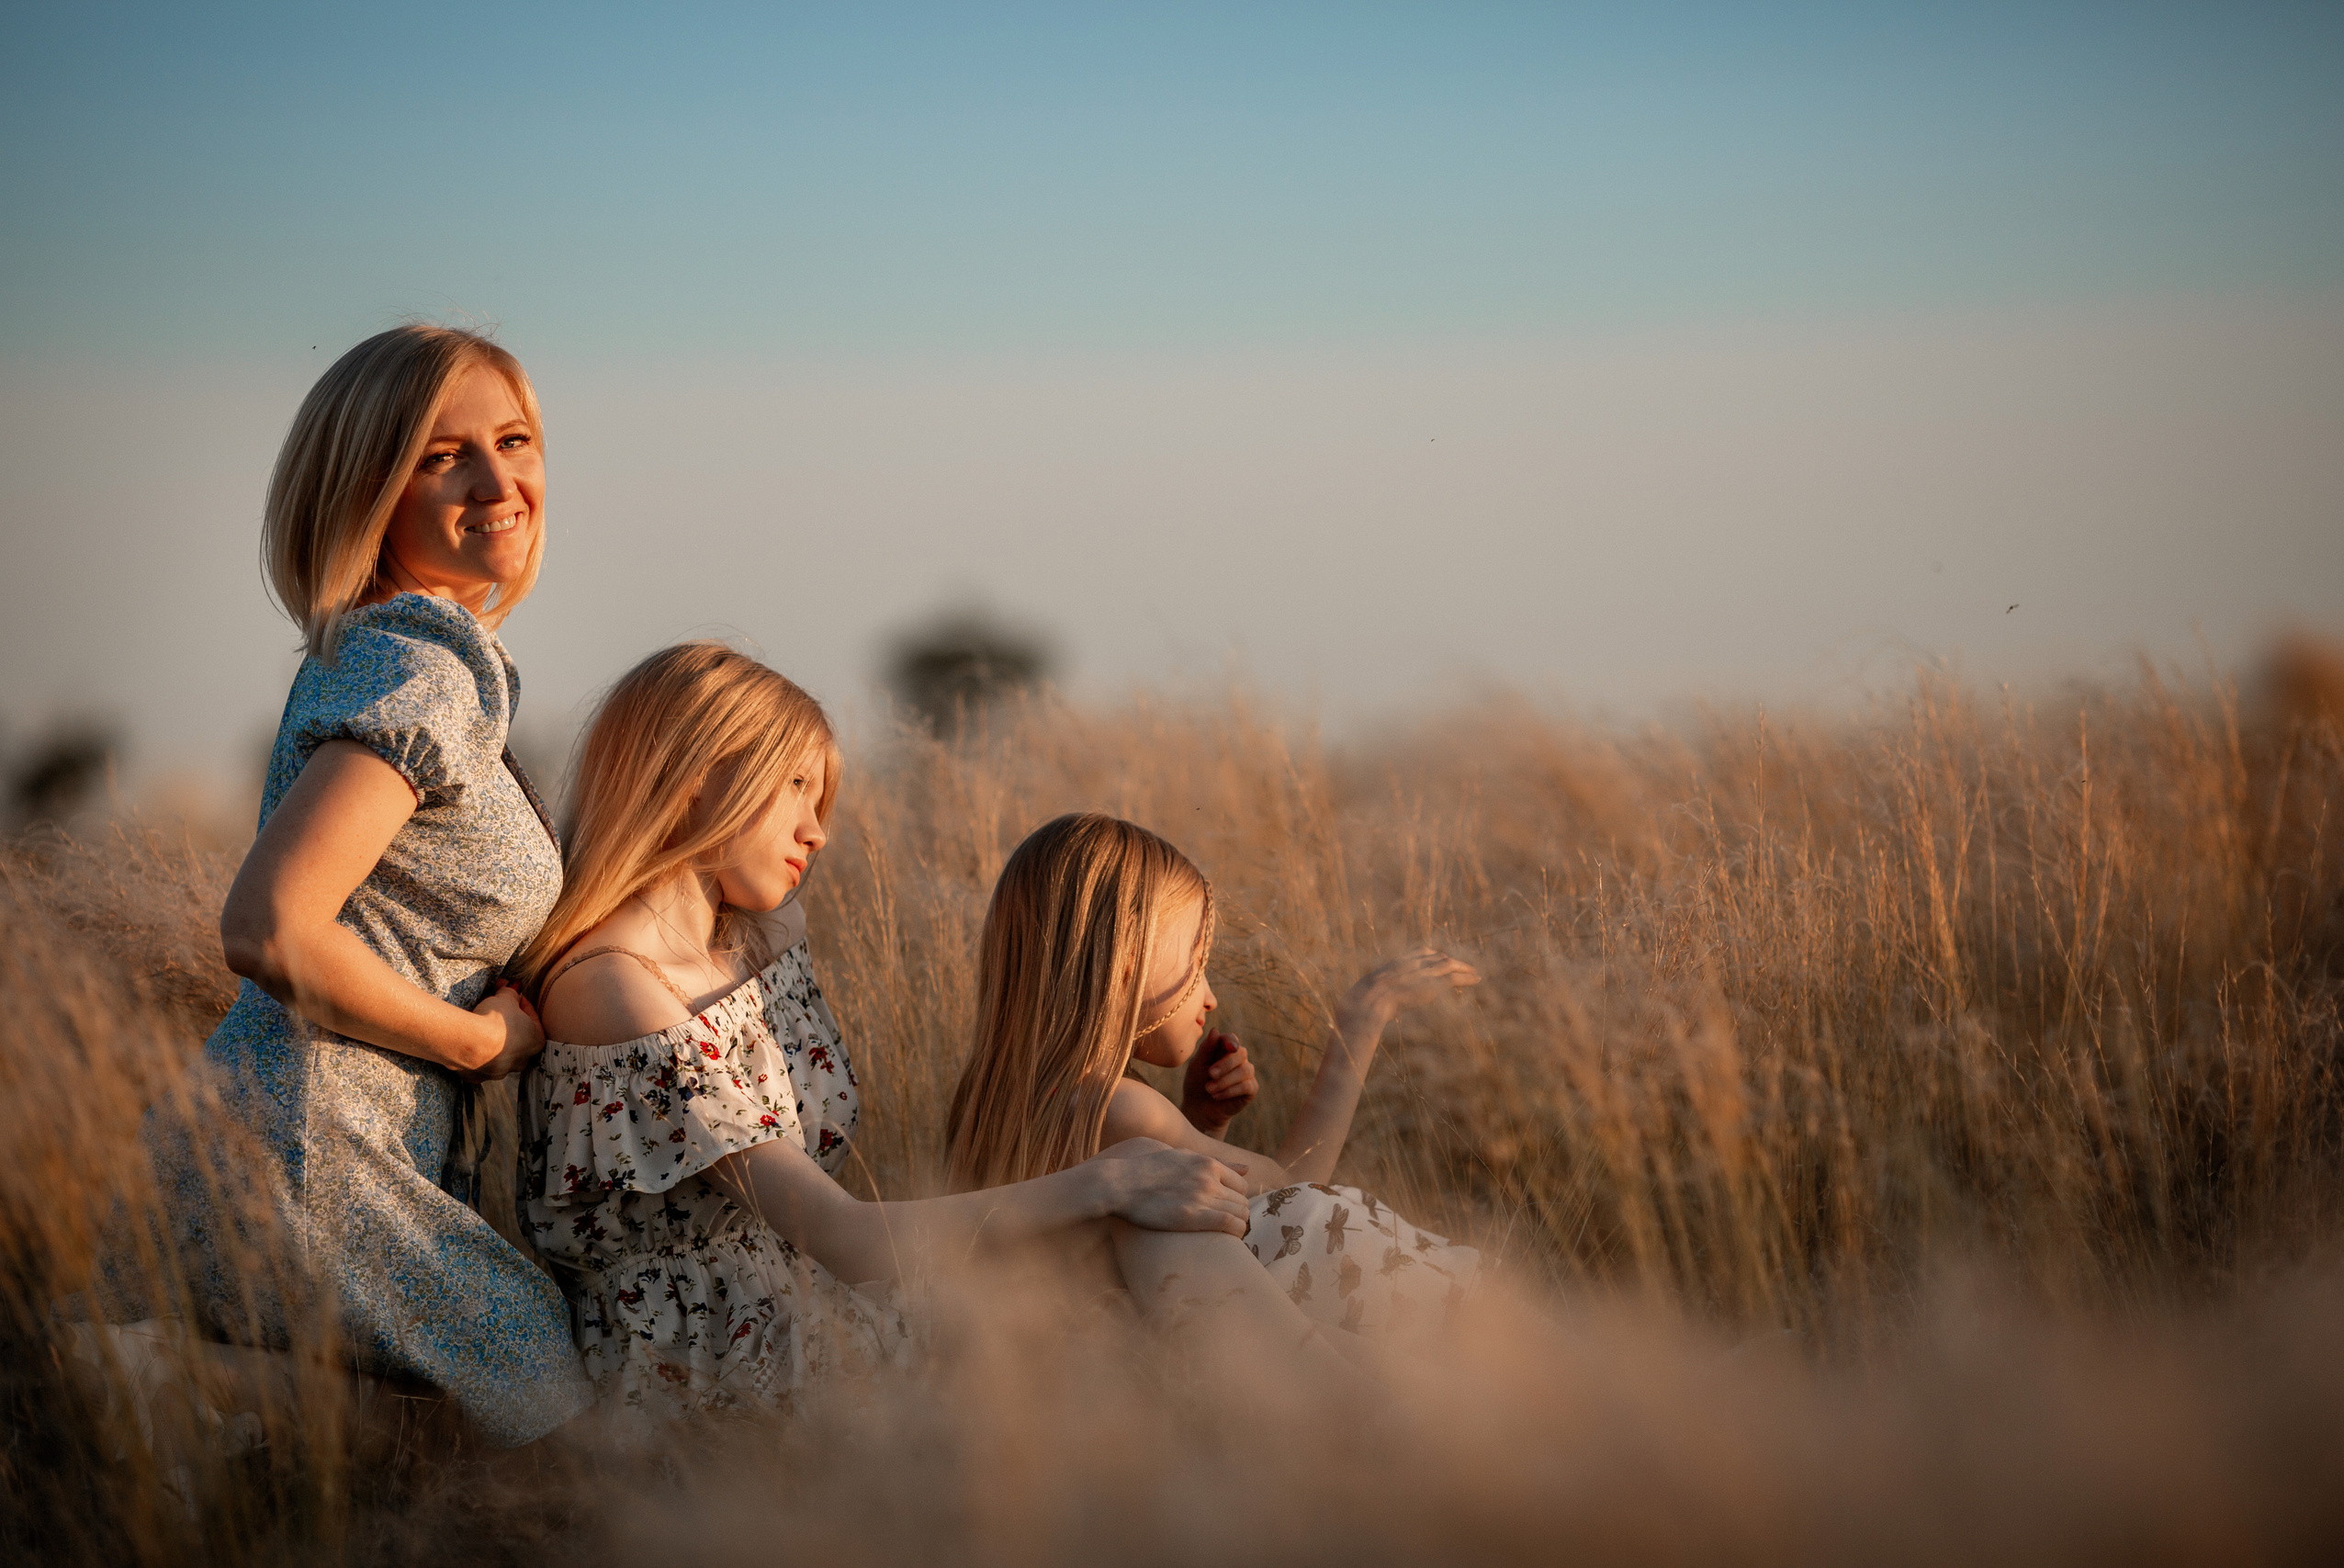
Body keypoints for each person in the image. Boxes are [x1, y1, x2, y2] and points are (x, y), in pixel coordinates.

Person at [515, 644, 1322, 1419]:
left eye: (819, 795)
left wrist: (1172, 1147)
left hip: (815, 1315)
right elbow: (844, 1236)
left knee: (1145, 1257)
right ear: (693, 773)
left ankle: (1341, 1413)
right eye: (794, 784)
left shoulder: (755, 940)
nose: (816, 830)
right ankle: (1350, 1425)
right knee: (1126, 1243)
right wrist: (1108, 1180)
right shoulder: (616, 991)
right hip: (723, 1372)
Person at [200, 324, 595, 1446]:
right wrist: (476, 1043)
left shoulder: (396, 653)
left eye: (512, 441)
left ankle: (165, 1391)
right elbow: (270, 926)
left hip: (316, 1142)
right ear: (365, 490)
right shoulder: (420, 671)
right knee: (564, 1432)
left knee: (403, 1466)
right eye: (442, 457)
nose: (497, 484)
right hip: (319, 1151)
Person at [945, 813, 1483, 1337]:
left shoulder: (992, 1104)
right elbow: (1296, 1192)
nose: (1209, 996)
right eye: (1197, 962)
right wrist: (1359, 1024)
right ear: (1128, 963)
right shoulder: (1118, 1107)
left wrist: (1202, 1123)